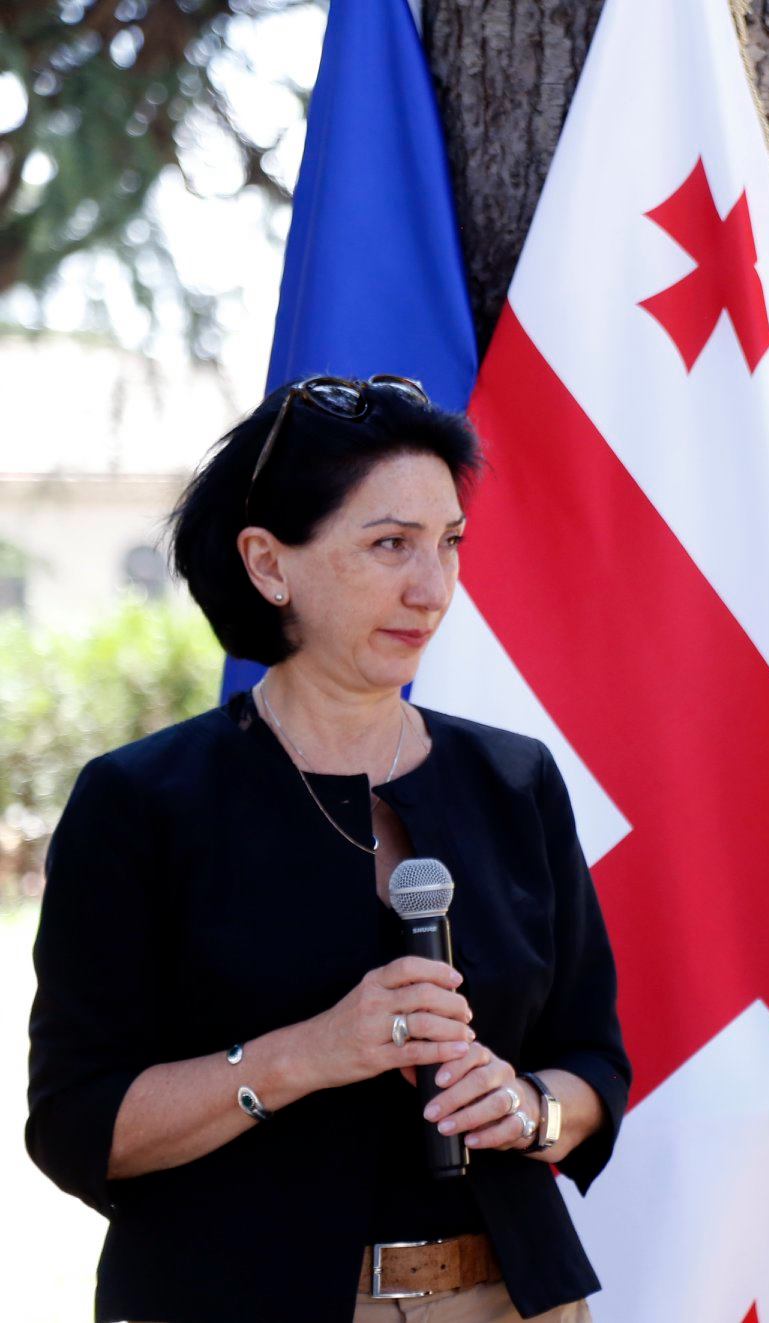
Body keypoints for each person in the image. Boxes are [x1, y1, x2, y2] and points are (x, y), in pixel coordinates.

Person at [26, 376, 632, 1323]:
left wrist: (526, 1106)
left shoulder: (515, 780)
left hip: (511, 1302)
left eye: (449, 542)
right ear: (269, 564)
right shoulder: (139, 802)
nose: (432, 588)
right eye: (390, 544)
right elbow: (77, 1123)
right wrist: (308, 1052)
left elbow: (592, 1061)